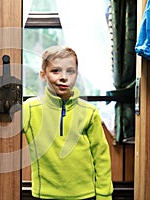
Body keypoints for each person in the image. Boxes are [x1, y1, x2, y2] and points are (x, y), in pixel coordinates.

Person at [22, 45, 113, 199]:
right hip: (45, 195)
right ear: (43, 75)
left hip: (86, 195)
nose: (64, 77)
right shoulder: (30, 109)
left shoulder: (89, 112)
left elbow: (101, 156)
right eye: (55, 71)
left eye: (70, 71)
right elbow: (3, 129)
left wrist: (104, 195)